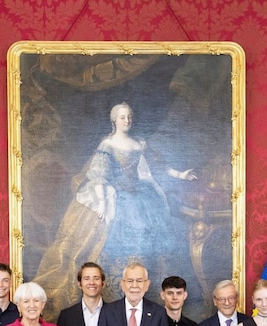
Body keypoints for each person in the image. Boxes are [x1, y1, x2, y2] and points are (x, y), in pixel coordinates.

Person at [35, 102, 197, 314]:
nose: (126, 120)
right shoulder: (108, 144)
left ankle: (145, 295)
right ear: (114, 121)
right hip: (115, 198)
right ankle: (114, 294)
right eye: (122, 117)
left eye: (129, 116)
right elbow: (99, 175)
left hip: (141, 197)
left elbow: (159, 165)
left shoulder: (139, 143)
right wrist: (102, 203)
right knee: (103, 242)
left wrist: (180, 175)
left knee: (150, 239)